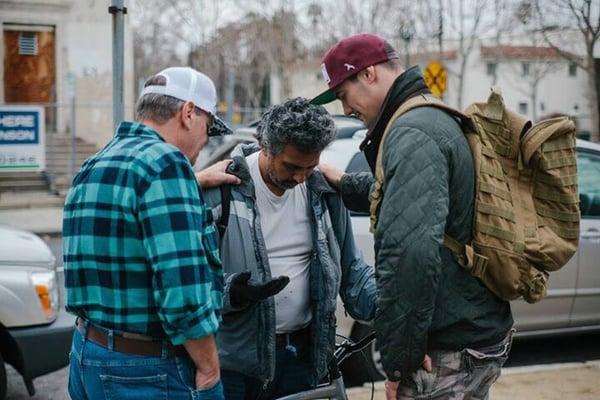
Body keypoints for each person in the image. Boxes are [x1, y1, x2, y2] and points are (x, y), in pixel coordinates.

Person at [312, 33, 514, 399]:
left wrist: (399, 362)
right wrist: (343, 182)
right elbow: (412, 199)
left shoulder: (411, 132)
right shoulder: (428, 113)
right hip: (473, 330)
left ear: (369, 74)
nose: (345, 109)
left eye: (344, 95)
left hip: (447, 347)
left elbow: (409, 254)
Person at [63, 67, 234, 400]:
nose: (205, 140)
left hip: (86, 355)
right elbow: (184, 297)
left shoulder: (96, 162)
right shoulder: (167, 165)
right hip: (143, 373)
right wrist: (210, 369)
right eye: (208, 127)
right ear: (188, 113)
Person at [201, 97, 377, 399]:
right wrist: (233, 293)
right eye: (291, 166)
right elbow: (192, 285)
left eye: (309, 168)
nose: (299, 178)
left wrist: (396, 306)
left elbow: (352, 272)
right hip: (235, 366)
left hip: (302, 360)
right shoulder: (223, 192)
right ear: (264, 146)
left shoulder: (323, 193)